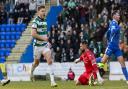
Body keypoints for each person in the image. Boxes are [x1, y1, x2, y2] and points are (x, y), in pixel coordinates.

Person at [30, 5, 57, 87]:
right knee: (36, 63)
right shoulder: (35, 21)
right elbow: (33, 34)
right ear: (38, 12)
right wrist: (43, 38)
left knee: (50, 60)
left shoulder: (45, 20)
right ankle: (31, 71)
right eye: (42, 11)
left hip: (44, 45)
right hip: (37, 46)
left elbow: (44, 33)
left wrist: (47, 41)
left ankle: (52, 81)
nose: (43, 12)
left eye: (44, 11)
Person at [101, 10, 128, 84]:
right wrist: (119, 27)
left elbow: (109, 34)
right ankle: (93, 62)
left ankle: (127, 79)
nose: (119, 16)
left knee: (122, 62)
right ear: (114, 16)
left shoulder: (115, 24)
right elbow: (113, 31)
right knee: (102, 62)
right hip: (111, 46)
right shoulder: (113, 23)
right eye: (117, 15)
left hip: (116, 47)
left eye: (119, 15)